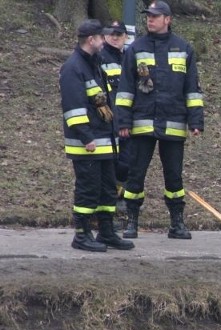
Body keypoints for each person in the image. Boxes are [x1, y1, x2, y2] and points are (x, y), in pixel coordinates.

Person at [115, 0, 204, 239]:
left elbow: (192, 89)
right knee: (136, 174)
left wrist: (196, 121)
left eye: (155, 16)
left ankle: (177, 223)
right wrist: (123, 122)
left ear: (168, 19)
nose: (150, 19)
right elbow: (125, 89)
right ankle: (131, 222)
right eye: (148, 16)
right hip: (141, 123)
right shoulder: (136, 48)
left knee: (174, 176)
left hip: (174, 123)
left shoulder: (183, 48)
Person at [59, 19, 134, 252]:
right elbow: (74, 108)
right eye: (101, 37)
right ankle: (81, 235)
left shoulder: (94, 63)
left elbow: (104, 102)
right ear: (91, 40)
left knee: (106, 190)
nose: (105, 40)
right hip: (88, 144)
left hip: (104, 141)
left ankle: (106, 232)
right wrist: (86, 137)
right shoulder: (74, 67)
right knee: (88, 190)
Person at [99, 20, 130, 198]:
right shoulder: (100, 58)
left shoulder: (129, 57)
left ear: (126, 37)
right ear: (104, 36)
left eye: (118, 34)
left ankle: (119, 195)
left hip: (127, 121)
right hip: (109, 122)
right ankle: (111, 198)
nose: (115, 37)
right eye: (111, 34)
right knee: (111, 164)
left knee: (126, 164)